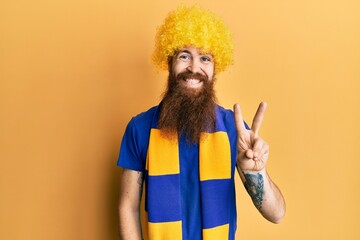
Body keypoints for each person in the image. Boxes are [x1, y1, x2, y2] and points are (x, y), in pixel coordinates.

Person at [117, 5, 285, 240]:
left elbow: (276, 214)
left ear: (215, 68)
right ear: (169, 61)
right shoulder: (140, 128)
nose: (194, 68)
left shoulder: (233, 129)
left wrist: (257, 172)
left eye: (205, 58)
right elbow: (128, 206)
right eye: (184, 56)